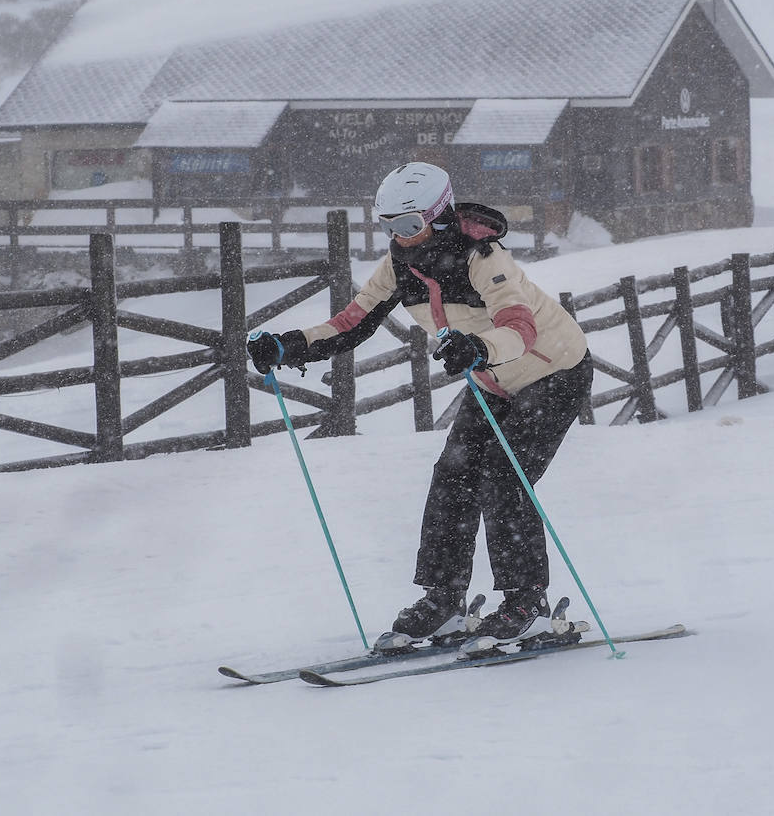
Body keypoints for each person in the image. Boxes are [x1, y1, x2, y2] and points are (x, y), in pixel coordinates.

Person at [247, 162, 592, 646]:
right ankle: (443, 600)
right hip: (494, 381)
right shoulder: (399, 266)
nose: (401, 237)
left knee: (503, 474)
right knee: (452, 473)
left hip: (554, 372)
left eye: (410, 226)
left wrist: (478, 348)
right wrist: (288, 345)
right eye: (388, 226)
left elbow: (519, 328)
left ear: (439, 214)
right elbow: (352, 323)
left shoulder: (482, 257)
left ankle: (525, 602)